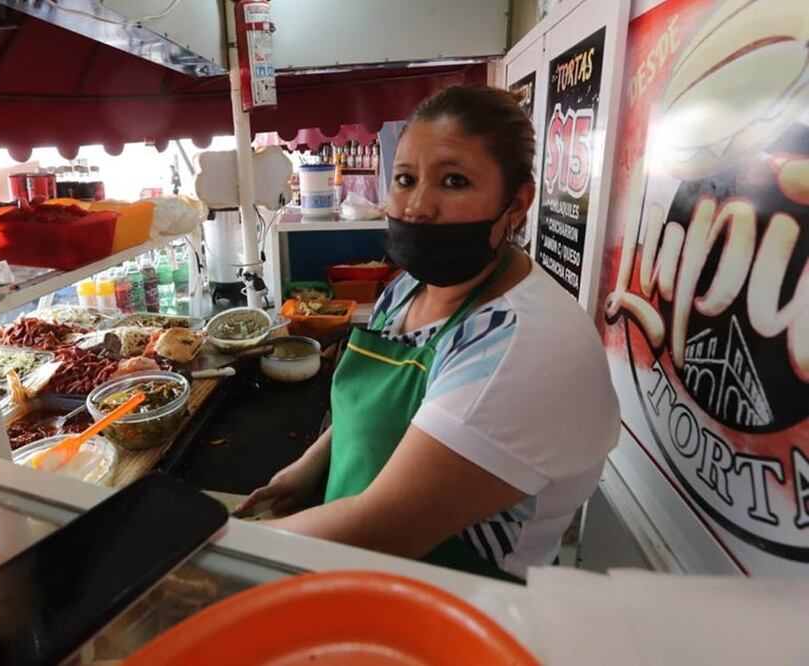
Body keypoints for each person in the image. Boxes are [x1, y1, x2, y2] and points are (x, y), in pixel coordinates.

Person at [235, 84, 619, 581]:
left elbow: (383, 530)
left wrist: (217, 546)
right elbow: (380, 416)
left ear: (516, 203)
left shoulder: (523, 347)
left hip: (456, 600)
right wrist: (311, 465)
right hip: (353, 569)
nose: (417, 206)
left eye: (454, 181)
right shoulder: (408, 289)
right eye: (405, 179)